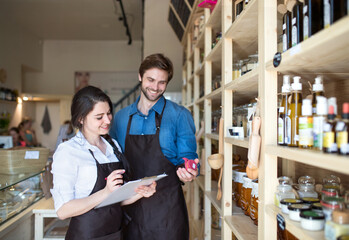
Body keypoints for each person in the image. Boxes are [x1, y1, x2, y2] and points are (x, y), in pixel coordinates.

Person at [110, 53, 199, 240]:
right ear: (140, 76)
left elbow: (188, 158)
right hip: (130, 211)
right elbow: (113, 161)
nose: (155, 87)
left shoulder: (180, 115)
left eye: (162, 82)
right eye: (151, 80)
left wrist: (189, 170)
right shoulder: (120, 118)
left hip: (167, 213)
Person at [51, 86, 156, 240]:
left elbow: (113, 201)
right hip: (87, 235)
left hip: (116, 232)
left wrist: (140, 193)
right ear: (81, 118)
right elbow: (63, 211)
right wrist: (105, 192)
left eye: (108, 113)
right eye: (99, 117)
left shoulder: (112, 145)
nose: (107, 120)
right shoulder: (68, 151)